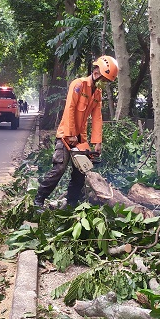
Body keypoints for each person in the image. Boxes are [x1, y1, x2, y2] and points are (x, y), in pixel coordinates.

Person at [33, 55, 118, 208]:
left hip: (80, 138)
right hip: (66, 134)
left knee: (81, 171)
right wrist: (71, 134)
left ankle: (71, 203)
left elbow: (97, 118)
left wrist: (97, 142)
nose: (104, 83)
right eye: (104, 79)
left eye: (107, 81)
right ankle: (39, 200)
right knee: (59, 168)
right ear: (97, 72)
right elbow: (70, 109)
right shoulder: (78, 84)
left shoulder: (97, 94)